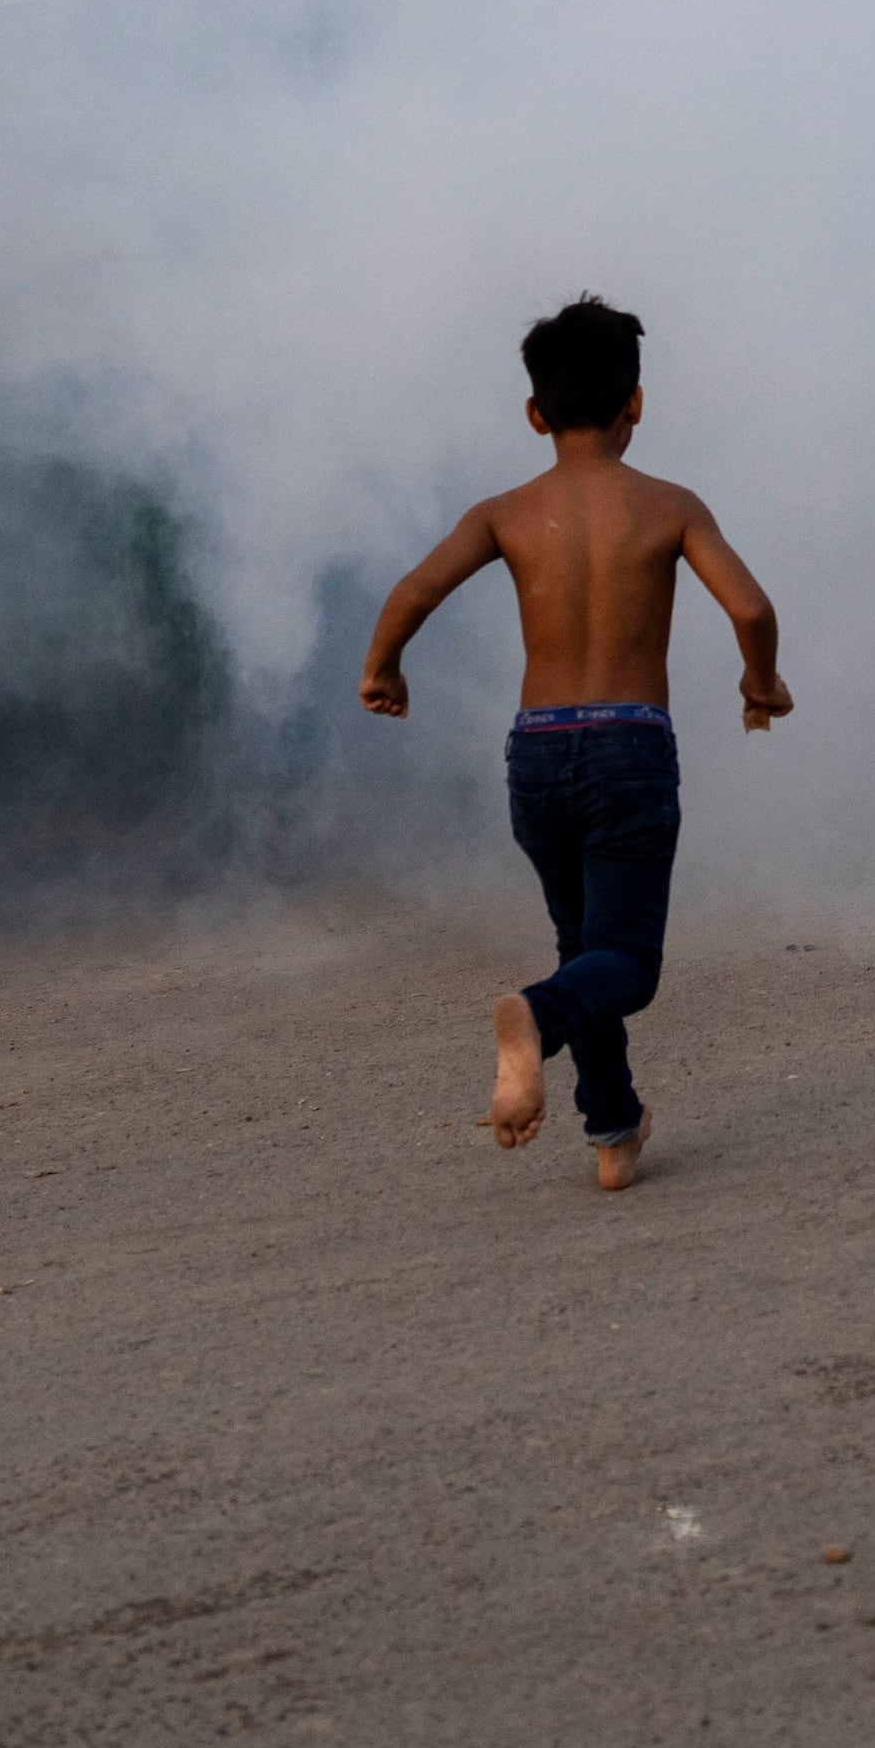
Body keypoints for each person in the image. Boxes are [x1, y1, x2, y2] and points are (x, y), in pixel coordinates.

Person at [359, 295, 789, 1194]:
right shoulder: (668, 505)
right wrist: (759, 683)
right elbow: (748, 606)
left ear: (534, 413)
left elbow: (410, 590)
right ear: (638, 403)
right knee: (624, 962)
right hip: (629, 747)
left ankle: (612, 1126)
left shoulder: (502, 512)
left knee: (584, 945)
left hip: (538, 753)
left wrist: (383, 670)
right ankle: (535, 1018)